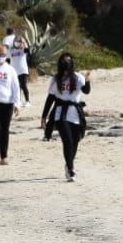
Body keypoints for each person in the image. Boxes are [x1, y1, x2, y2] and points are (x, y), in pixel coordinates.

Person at [40, 52, 92, 182]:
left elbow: (86, 91)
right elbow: (50, 98)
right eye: (64, 61)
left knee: (75, 141)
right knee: (67, 141)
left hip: (75, 113)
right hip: (60, 113)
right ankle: (70, 168)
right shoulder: (56, 79)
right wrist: (44, 116)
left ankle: (69, 162)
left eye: (68, 61)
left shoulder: (78, 77)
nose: (66, 63)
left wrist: (88, 80)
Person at [9, 33, 32, 103]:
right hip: (14, 71)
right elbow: (7, 59)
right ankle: (18, 100)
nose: (17, 43)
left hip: (23, 70)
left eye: (19, 41)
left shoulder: (23, 50)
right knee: (16, 86)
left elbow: (29, 50)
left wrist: (24, 42)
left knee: (23, 85)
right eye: (16, 41)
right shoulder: (11, 50)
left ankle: (27, 101)